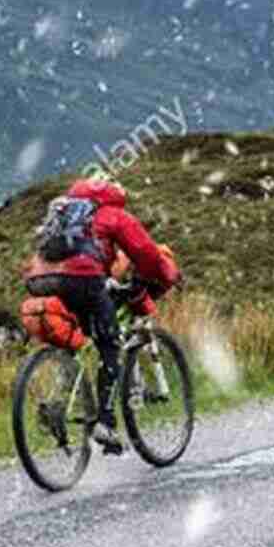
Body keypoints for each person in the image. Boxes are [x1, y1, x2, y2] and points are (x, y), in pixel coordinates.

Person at [20, 174, 181, 451]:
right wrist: (168, 275)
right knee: (110, 344)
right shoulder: (112, 214)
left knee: (77, 335)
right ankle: (105, 423)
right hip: (82, 279)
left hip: (39, 280)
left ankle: (58, 400)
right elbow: (145, 253)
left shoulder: (62, 212)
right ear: (112, 195)